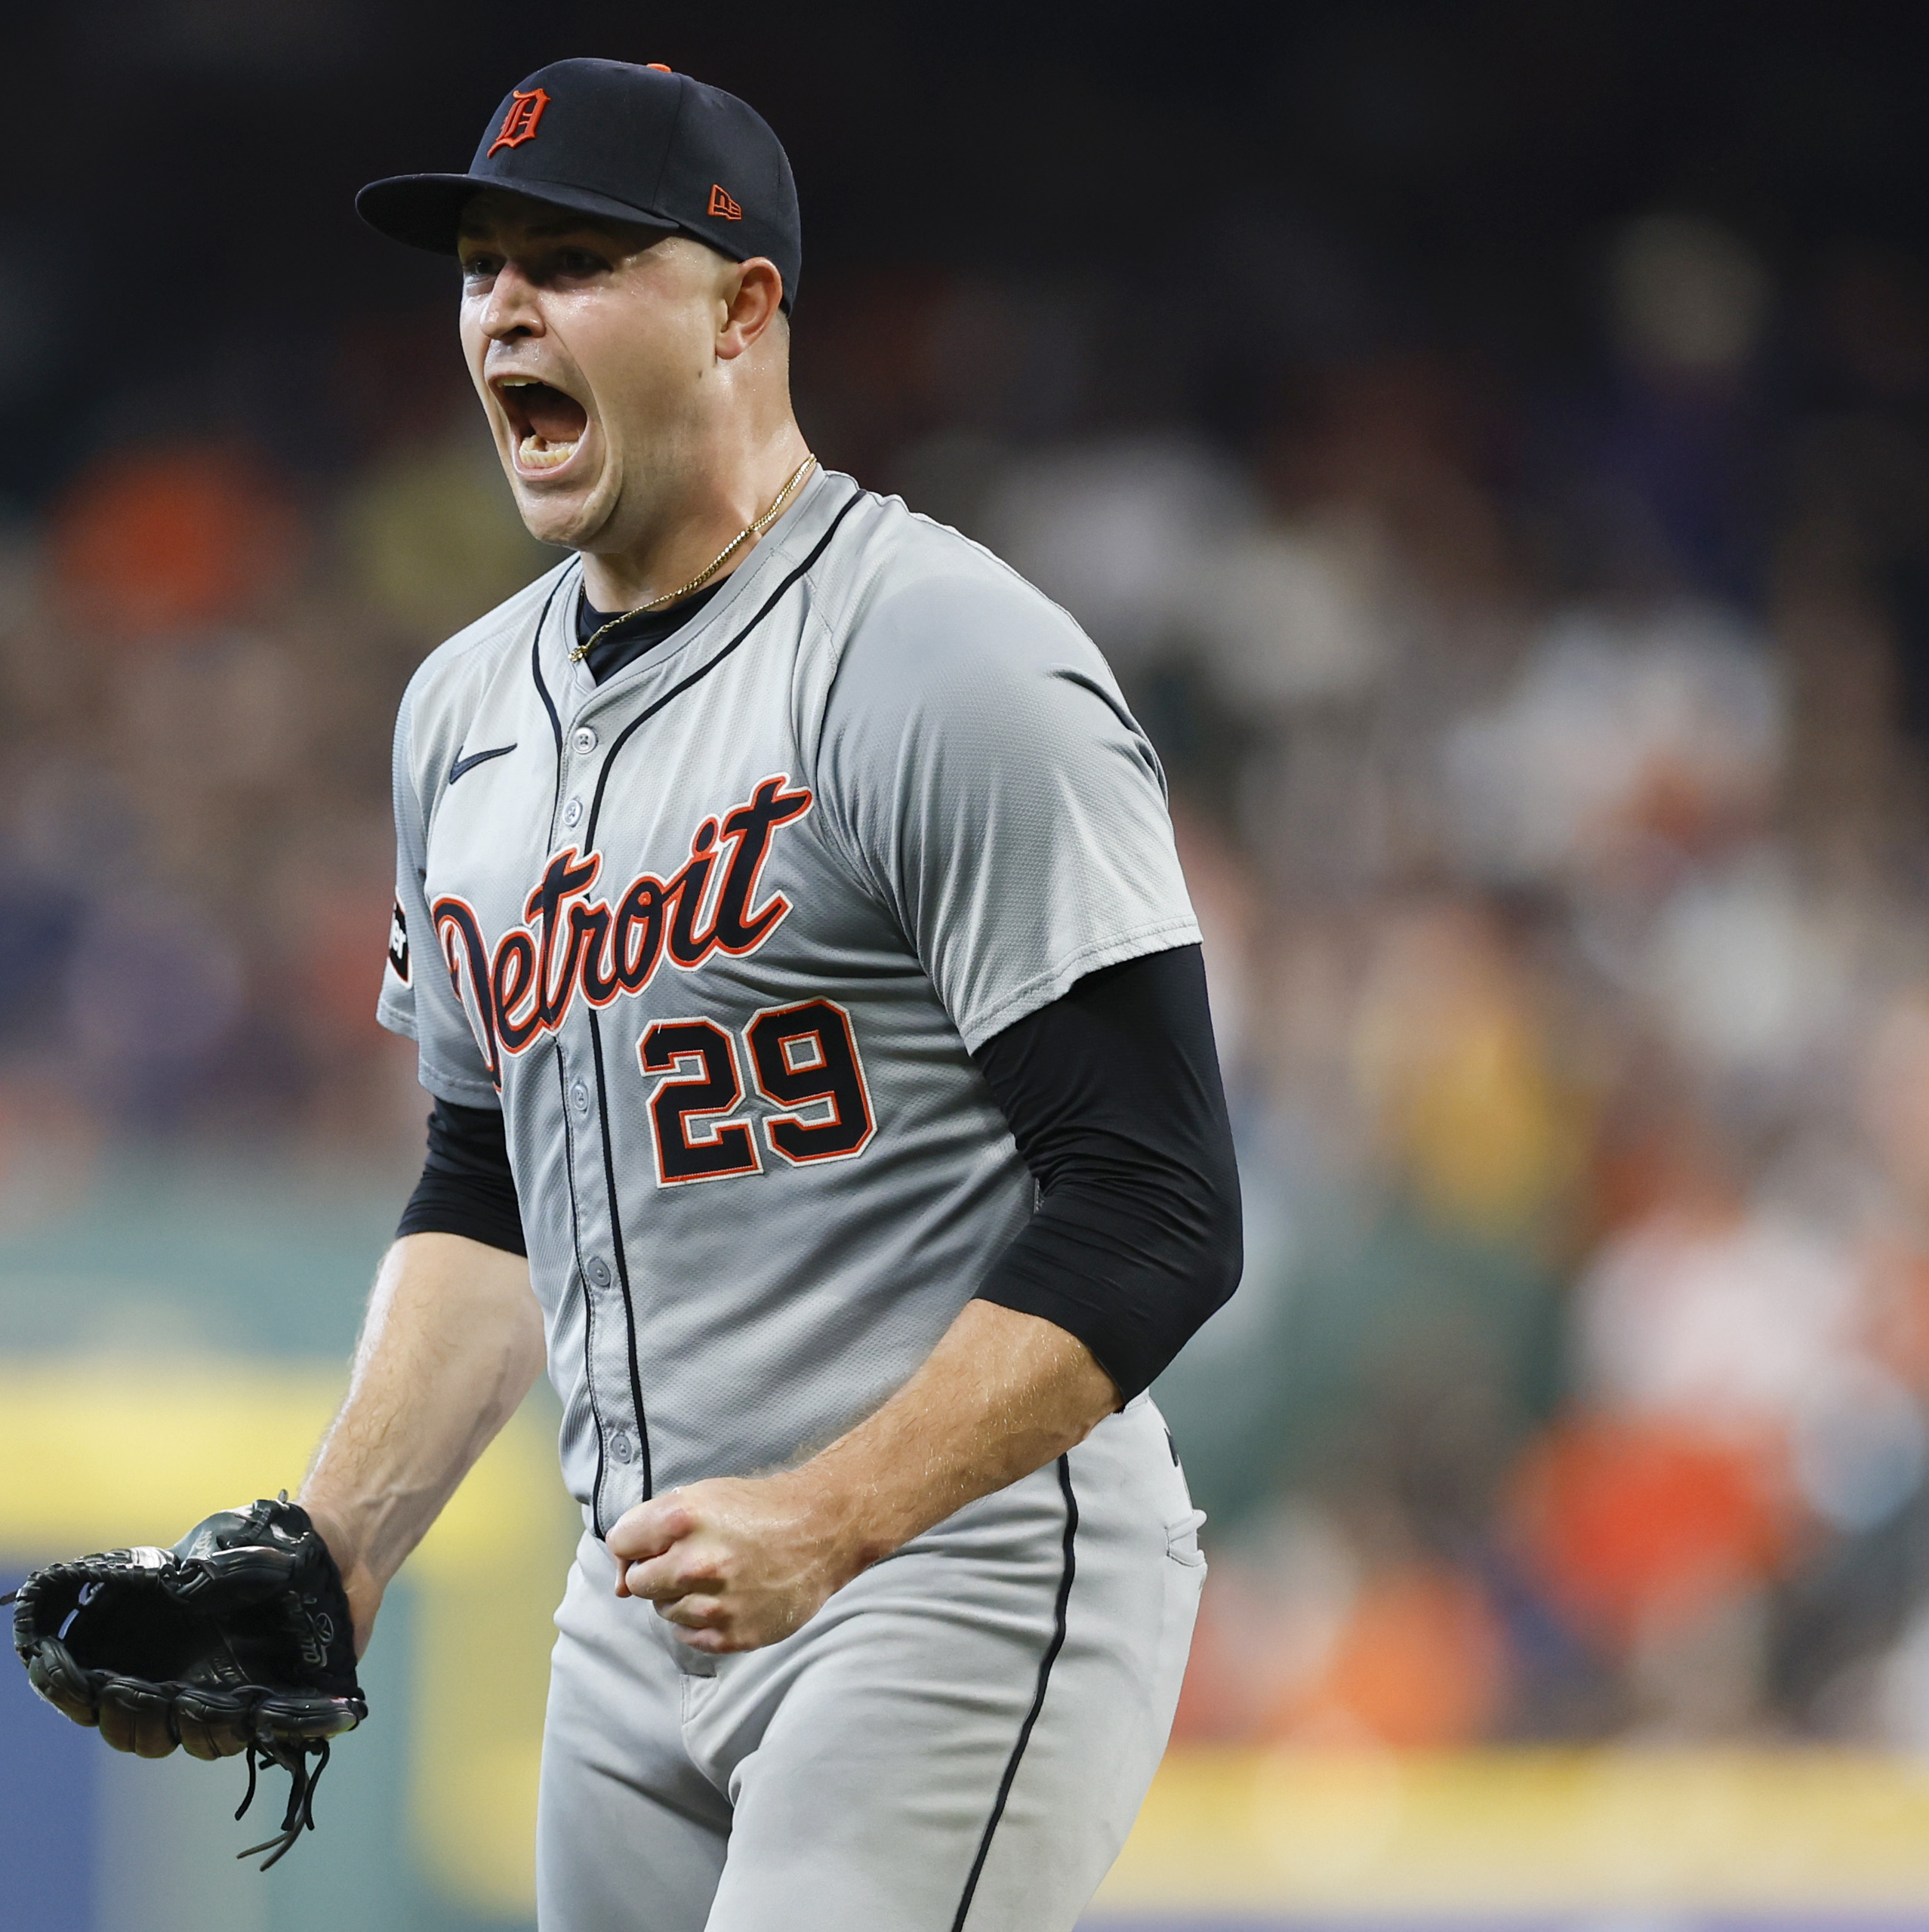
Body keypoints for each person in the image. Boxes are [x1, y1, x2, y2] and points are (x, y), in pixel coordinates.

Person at [93, 57, 1243, 1930]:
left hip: (948, 1571)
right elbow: (491, 1182)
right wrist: (337, 1543)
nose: (506, 310)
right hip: (640, 1608)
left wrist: (840, 1512)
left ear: (743, 306)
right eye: (481, 267)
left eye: (572, 258)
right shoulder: (460, 715)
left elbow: (1163, 1204)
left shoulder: (942, 657)